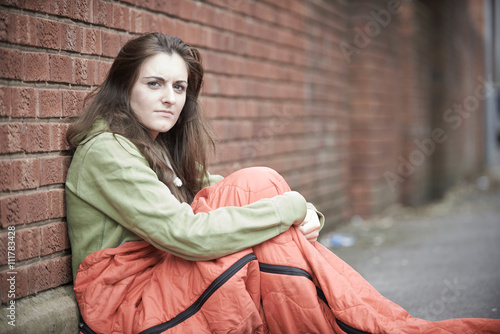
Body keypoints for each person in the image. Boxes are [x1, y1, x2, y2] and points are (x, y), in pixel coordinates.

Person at [66, 33, 500, 334]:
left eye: (179, 87)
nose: (170, 97)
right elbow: (185, 235)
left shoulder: (152, 144)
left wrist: (303, 208)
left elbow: (221, 189)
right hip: (126, 308)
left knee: (257, 182)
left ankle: (363, 321)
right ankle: (366, 321)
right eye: (155, 83)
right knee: (265, 221)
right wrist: (291, 209)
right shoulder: (108, 150)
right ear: (125, 86)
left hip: (163, 279)